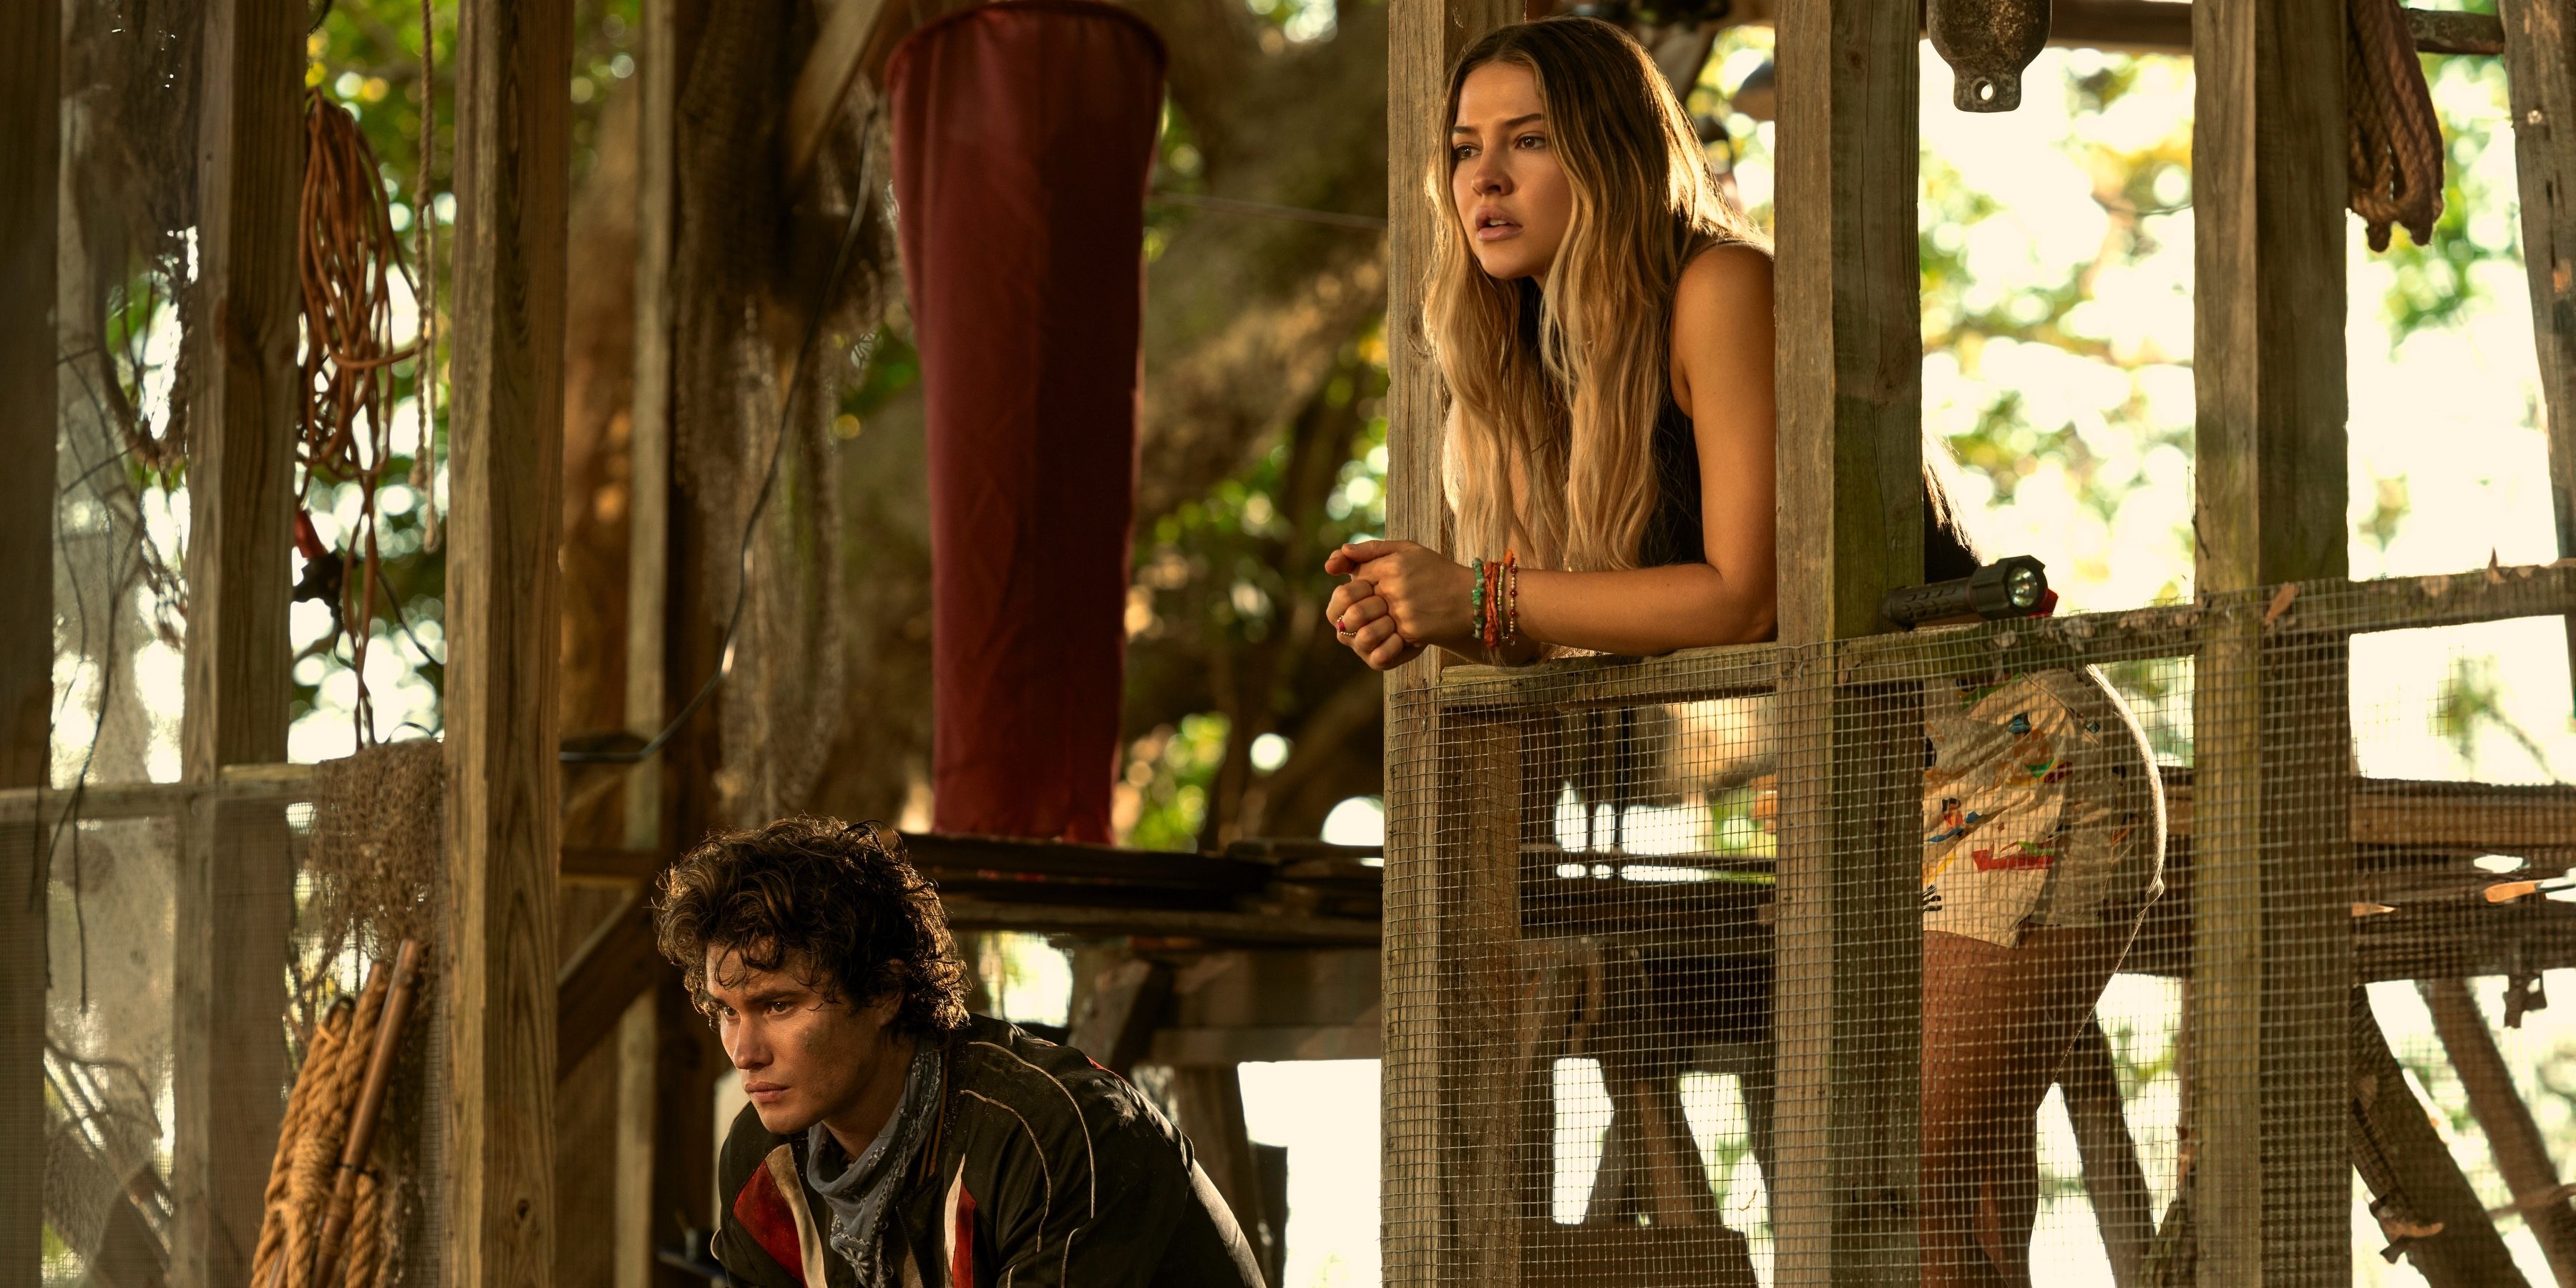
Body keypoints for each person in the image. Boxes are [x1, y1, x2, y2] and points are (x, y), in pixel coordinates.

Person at [1324, 19, 2162, 1287]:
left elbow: (1741, 596)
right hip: (1864, 807)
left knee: (1906, 1182)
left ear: (1605, 158)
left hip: (2019, 769)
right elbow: (1574, 619)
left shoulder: (1719, 286)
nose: (1482, 181)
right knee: (1952, 1213)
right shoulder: (1538, 368)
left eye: (1528, 144)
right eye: (1464, 150)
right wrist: (1414, 610)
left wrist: (1484, 599)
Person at [653, 817, 1266, 1288]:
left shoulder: (1052, 1134)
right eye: (728, 1012)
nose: (744, 1051)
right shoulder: (764, 1164)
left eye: (779, 1006)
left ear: (886, 991)